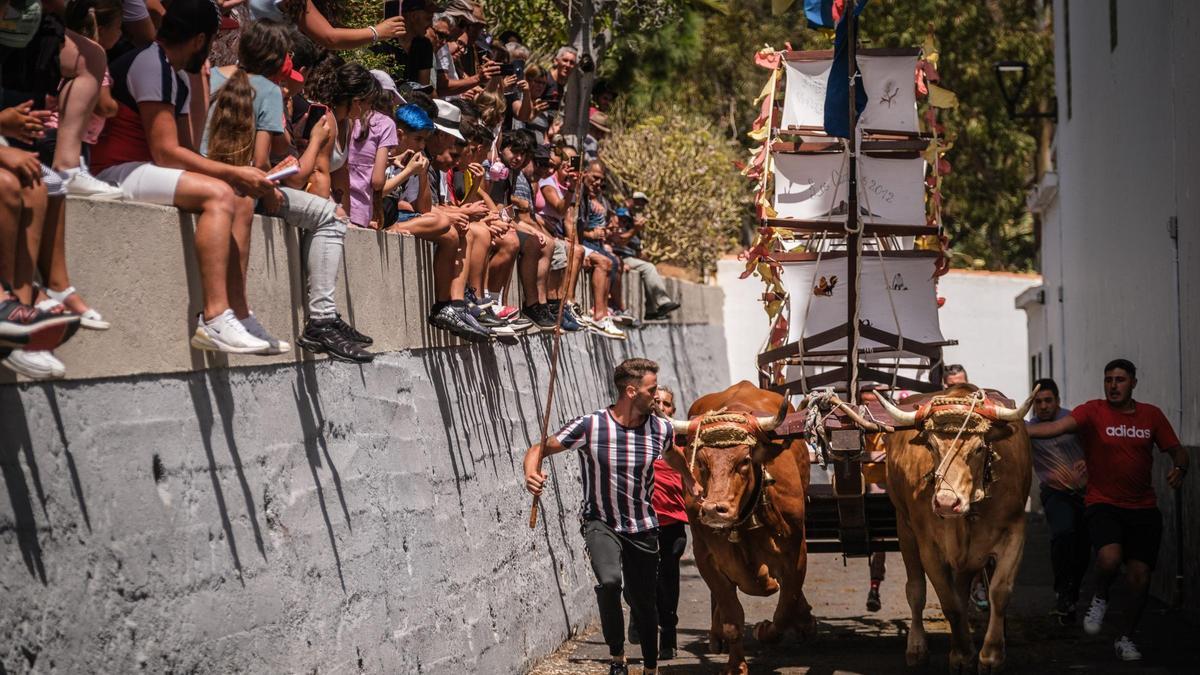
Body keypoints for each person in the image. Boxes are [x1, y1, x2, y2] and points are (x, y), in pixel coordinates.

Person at [90, 0, 278, 354]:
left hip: (143, 170)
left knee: (238, 197)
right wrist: (234, 171)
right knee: (220, 194)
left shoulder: (173, 72)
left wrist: (237, 177)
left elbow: (188, 149)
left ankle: (239, 313)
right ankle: (214, 316)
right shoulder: (152, 64)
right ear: (200, 40)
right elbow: (167, 152)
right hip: (113, 171)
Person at [524, 358, 700, 675]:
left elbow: (672, 455)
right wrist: (530, 472)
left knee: (645, 602)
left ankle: (650, 666)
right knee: (609, 582)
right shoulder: (591, 426)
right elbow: (540, 448)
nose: (656, 395)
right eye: (651, 390)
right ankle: (617, 657)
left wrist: (689, 478)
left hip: (643, 526)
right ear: (631, 391)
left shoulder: (660, 429)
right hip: (600, 521)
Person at [1028, 359, 1189, 662]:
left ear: (1133, 383)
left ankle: (1125, 637)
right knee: (1109, 557)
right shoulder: (1093, 411)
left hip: (1143, 508)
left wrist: (1181, 466)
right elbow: (1052, 429)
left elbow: (1176, 449)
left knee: (1140, 577)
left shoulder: (1151, 415)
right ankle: (1100, 595)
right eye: (1108, 380)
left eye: (1120, 380)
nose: (1113, 386)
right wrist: (1011, 427)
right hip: (1103, 502)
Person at [1024, 377, 1089, 624]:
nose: (1043, 406)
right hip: (1055, 494)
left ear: (1057, 401)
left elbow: (1096, 444)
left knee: (1083, 548)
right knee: (1063, 534)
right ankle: (1062, 592)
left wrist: (1090, 460)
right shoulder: (1027, 430)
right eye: (1038, 402)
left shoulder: (1073, 420)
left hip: (1085, 494)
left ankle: (1071, 594)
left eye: (1048, 400)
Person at [649, 385, 688, 661]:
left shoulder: (682, 440)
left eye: (667, 404)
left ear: (673, 410)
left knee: (668, 578)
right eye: (657, 402)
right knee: (638, 579)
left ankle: (668, 635)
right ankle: (641, 614)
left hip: (673, 520)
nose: (662, 406)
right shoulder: (634, 436)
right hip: (639, 521)